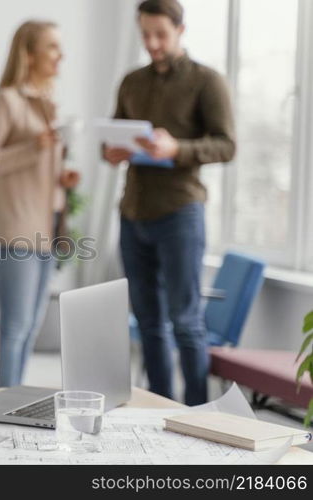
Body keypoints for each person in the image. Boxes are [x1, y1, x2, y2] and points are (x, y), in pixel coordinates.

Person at [104, 0, 235, 405]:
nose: (153, 43)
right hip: (132, 212)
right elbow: (113, 136)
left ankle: (198, 414)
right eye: (146, 34)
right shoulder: (131, 81)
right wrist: (111, 150)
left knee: (185, 322)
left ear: (180, 30)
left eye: (160, 34)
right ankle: (159, 410)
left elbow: (226, 145)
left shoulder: (207, 81)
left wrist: (176, 148)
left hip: (180, 213)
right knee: (148, 323)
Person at [0, 20, 81, 387]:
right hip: (16, 229)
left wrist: (62, 179)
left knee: (32, 328)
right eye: (52, 47)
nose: (60, 55)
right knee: (15, 328)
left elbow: (37, 168)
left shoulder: (48, 106)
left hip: (46, 229)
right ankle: (3, 404)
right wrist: (34, 147)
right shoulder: (6, 102)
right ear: (29, 53)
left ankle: (14, 400)